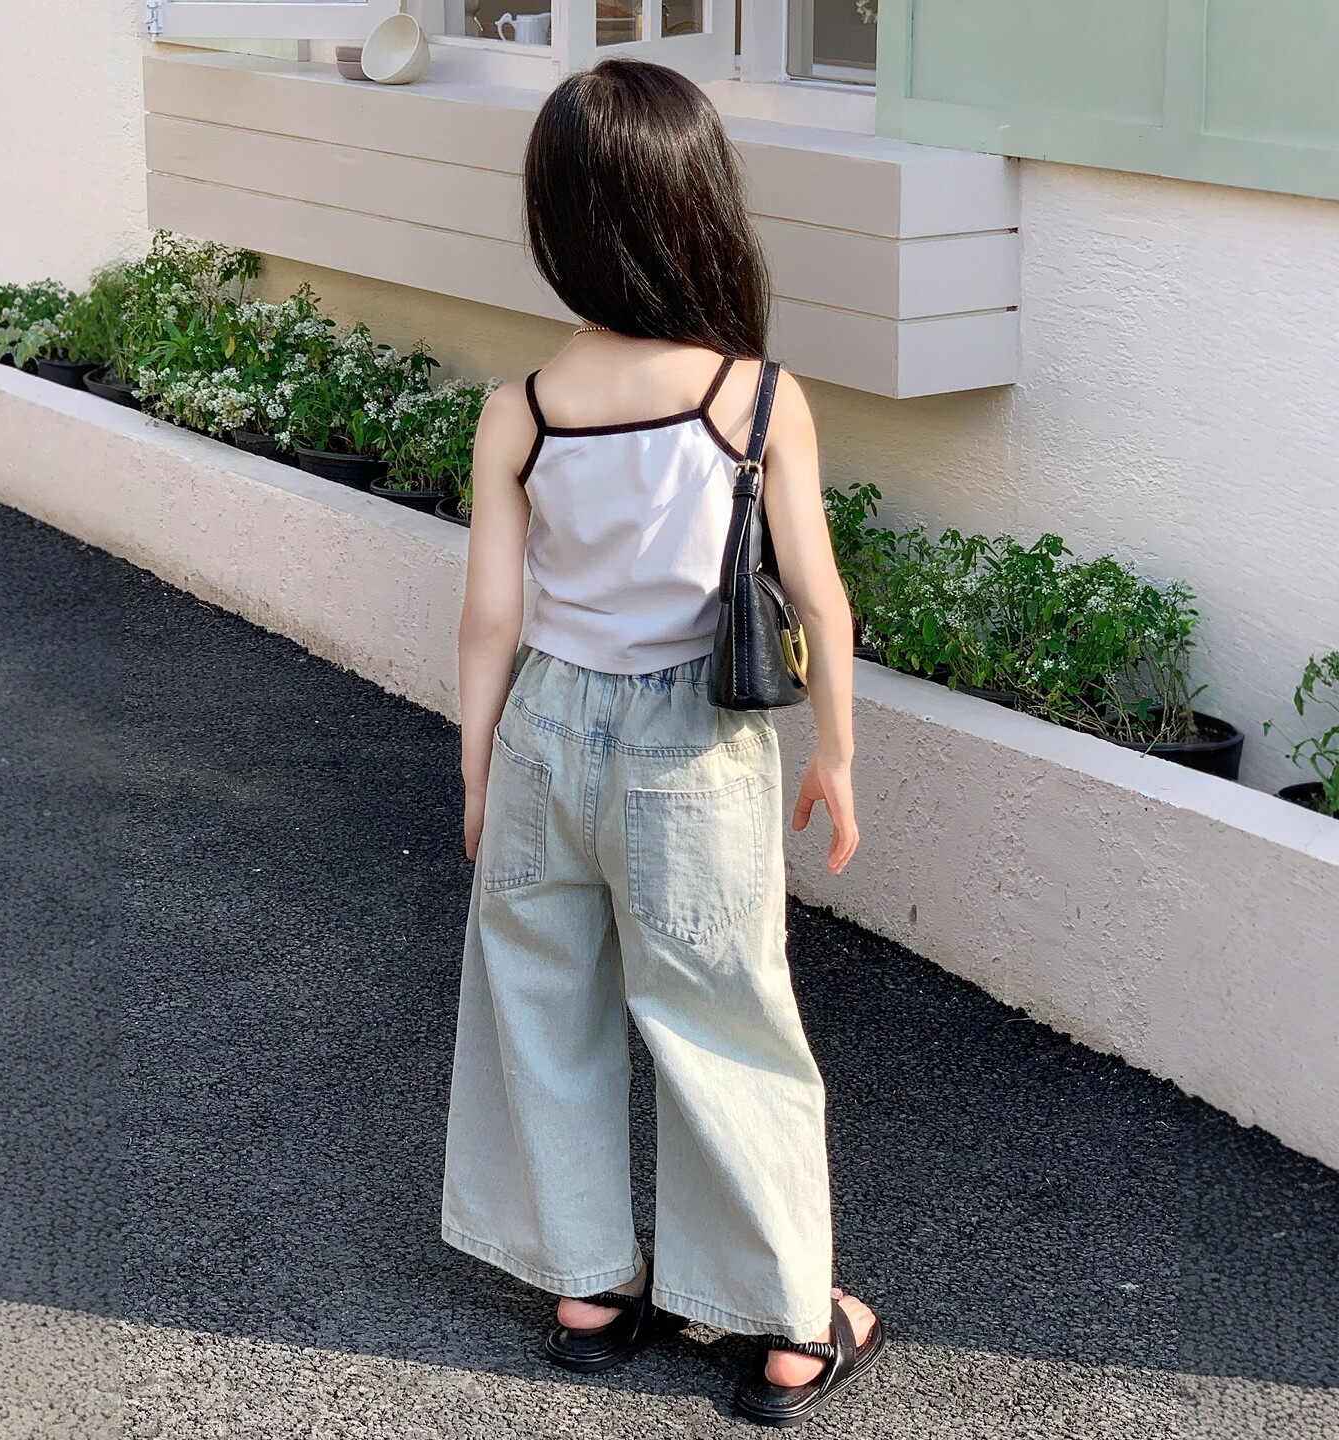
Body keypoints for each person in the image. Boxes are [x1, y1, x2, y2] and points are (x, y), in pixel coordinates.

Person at [441, 56, 882, 1429]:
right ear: (698, 207)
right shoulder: (755, 399)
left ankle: (587, 1289)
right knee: (722, 1016)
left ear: (559, 222)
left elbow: (490, 617)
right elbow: (818, 597)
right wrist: (838, 754)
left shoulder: (521, 407)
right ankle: (790, 1327)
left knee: (540, 998)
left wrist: (476, 765)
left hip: (544, 728)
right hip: (693, 745)